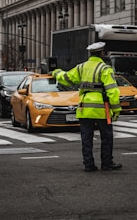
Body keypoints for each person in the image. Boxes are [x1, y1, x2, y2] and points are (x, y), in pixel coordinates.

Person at [52, 41, 122, 172]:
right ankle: (106, 163)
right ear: (102, 53)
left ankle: (89, 165)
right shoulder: (105, 69)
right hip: (102, 109)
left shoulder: (81, 67)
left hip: (84, 108)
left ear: (91, 53)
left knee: (86, 138)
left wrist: (56, 73)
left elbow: (67, 78)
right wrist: (116, 109)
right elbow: (112, 91)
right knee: (106, 137)